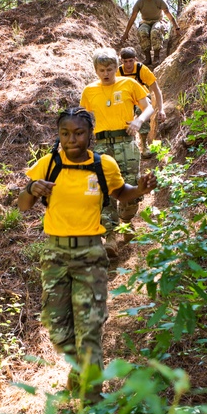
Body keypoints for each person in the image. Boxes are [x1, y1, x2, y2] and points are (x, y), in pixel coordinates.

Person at [18, 107, 158, 402]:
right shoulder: (48, 164)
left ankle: (93, 400)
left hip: (91, 253)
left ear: (90, 134)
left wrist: (141, 188)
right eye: (65, 133)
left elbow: (122, 193)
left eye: (78, 133)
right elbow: (22, 205)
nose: (71, 139)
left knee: (90, 327)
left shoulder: (103, 165)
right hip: (55, 254)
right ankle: (80, 370)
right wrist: (32, 187)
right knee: (56, 327)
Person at [79, 47, 154, 258]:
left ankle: (127, 223)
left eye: (110, 69)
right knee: (104, 190)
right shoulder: (89, 91)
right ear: (95, 70)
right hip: (102, 146)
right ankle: (110, 235)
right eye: (102, 69)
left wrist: (139, 120)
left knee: (131, 186)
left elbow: (148, 107)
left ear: (116, 68)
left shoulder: (129, 84)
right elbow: (83, 120)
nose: (106, 73)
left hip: (126, 142)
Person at [117, 47, 165, 159]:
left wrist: (161, 109)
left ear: (135, 59)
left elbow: (156, 89)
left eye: (131, 61)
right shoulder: (118, 72)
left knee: (142, 110)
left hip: (141, 97)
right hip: (125, 99)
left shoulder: (142, 70)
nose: (128, 64)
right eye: (125, 61)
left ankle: (144, 145)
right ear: (121, 61)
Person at [119, 0, 180, 66]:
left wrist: (176, 27)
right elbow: (133, 17)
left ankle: (156, 57)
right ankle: (148, 58)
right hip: (146, 22)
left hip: (158, 21)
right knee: (142, 31)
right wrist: (126, 33)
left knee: (155, 30)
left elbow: (167, 12)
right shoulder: (140, 1)